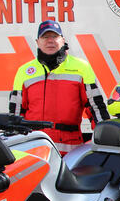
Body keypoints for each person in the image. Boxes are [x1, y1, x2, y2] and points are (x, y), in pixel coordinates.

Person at [9, 20, 110, 154]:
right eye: (45, 37)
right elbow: (15, 114)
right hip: (34, 149)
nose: (50, 40)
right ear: (37, 42)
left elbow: (95, 107)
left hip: (70, 150)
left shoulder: (81, 67)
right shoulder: (24, 71)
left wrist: (106, 137)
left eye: (54, 36)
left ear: (63, 40)